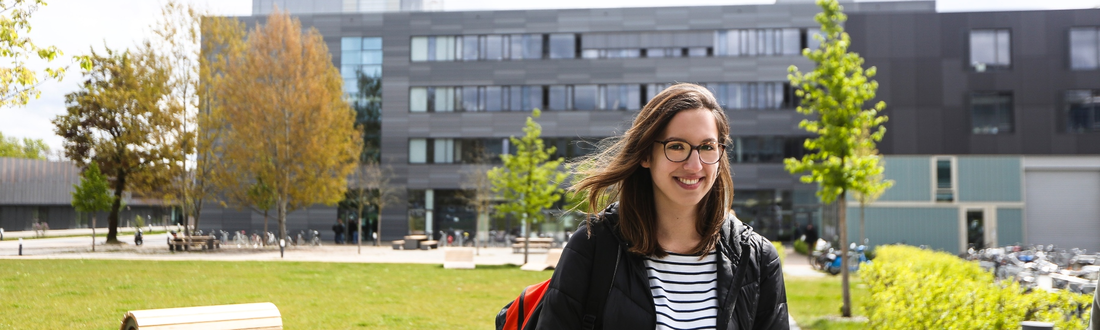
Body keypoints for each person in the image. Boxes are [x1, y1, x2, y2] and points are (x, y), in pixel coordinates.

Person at [536, 83, 788, 329]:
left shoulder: (757, 258)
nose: (695, 165)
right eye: (677, 146)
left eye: (707, 147)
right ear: (646, 154)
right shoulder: (593, 246)